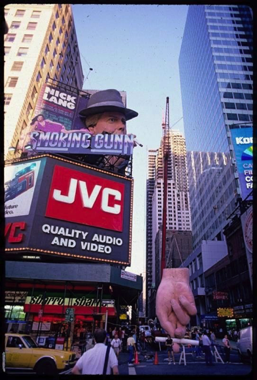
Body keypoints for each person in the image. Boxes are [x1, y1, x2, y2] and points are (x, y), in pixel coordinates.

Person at [78, 89, 139, 173]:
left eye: (123, 121)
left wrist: (115, 165)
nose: (122, 126)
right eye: (112, 120)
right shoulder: (75, 154)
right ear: (92, 128)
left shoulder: (122, 158)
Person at [156, 268, 197, 352]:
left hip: (169, 282)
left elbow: (193, 311)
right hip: (173, 282)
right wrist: (185, 303)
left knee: (183, 320)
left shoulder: (179, 321)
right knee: (183, 320)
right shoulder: (180, 320)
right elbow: (193, 311)